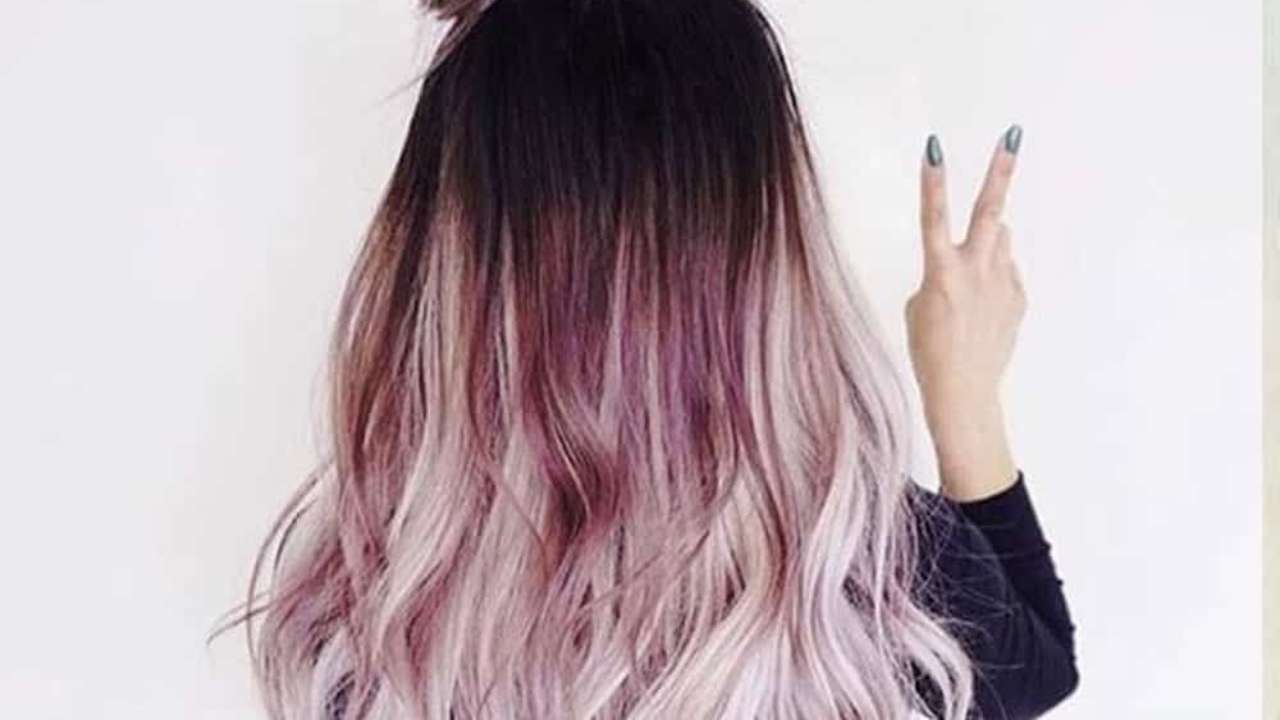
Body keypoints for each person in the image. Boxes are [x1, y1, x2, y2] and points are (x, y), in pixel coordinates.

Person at [227, 0, 1079, 717]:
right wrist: (963, 393)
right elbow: (1033, 671)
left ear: (441, 254)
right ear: (763, 248)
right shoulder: (858, 582)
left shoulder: (366, 624)